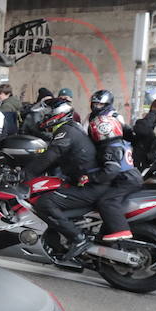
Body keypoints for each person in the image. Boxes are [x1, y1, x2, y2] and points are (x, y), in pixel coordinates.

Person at [21, 99, 101, 266]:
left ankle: (78, 238)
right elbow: (55, 158)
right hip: (83, 181)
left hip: (90, 185)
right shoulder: (69, 128)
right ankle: (58, 243)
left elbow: (51, 155)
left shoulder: (66, 131)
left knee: (44, 202)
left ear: (57, 114)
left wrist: (26, 174)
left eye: (47, 113)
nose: (44, 116)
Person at [82, 89, 143, 245]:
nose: (96, 106)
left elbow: (112, 169)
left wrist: (92, 178)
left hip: (124, 175)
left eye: (100, 104)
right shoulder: (92, 119)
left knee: (107, 201)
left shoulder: (114, 123)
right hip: (126, 172)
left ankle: (120, 229)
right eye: (94, 103)